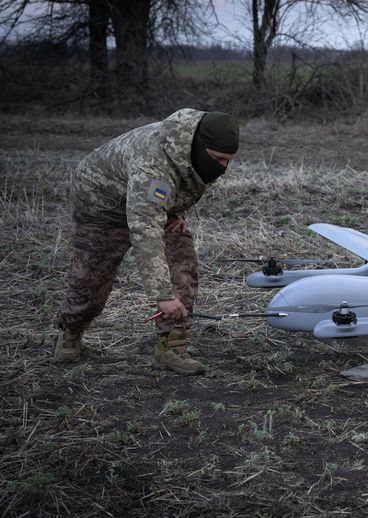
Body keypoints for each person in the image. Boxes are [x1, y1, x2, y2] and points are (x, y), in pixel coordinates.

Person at [54, 108, 239, 375]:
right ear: (200, 147)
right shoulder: (153, 164)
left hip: (150, 204)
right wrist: (161, 295)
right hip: (102, 208)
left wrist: (177, 212)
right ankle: (71, 328)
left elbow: (187, 182)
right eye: (219, 159)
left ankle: (172, 345)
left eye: (229, 161)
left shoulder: (198, 153)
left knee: (183, 268)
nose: (223, 167)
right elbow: (145, 231)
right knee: (89, 283)